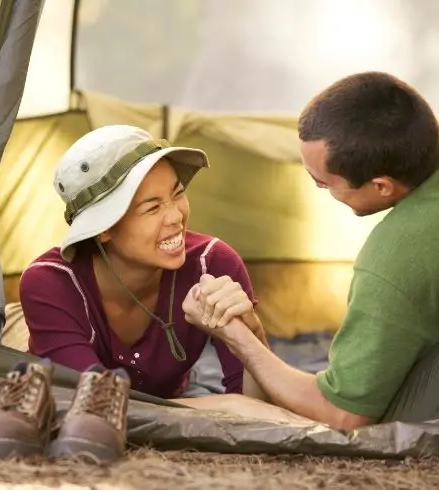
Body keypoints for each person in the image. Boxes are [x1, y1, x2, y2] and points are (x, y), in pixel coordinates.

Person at [182, 71, 439, 430]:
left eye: (324, 183)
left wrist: (237, 336)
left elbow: (342, 413)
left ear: (381, 186)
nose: (319, 188)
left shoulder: (396, 257)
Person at [19, 124, 268, 399]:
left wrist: (251, 333)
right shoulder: (49, 284)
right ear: (103, 228)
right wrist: (224, 409)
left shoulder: (213, 265)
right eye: (152, 207)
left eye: (178, 193)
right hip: (27, 337)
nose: (176, 217)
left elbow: (255, 405)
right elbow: (98, 404)